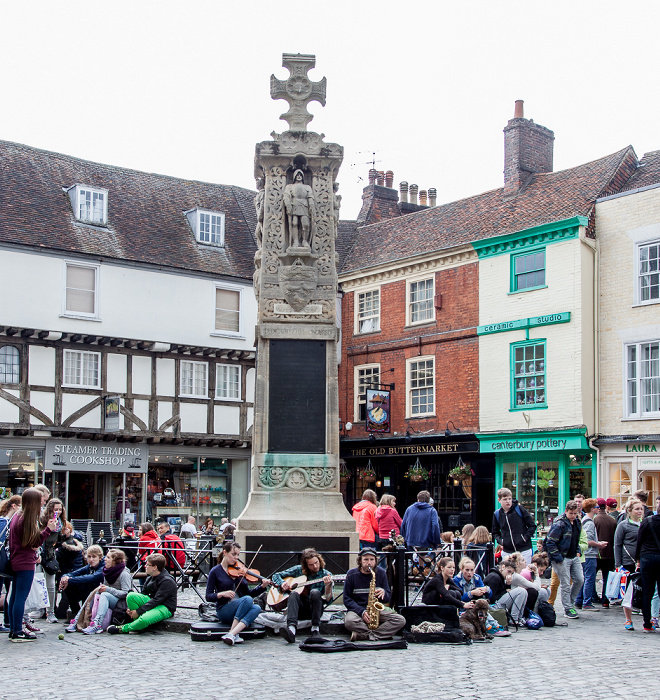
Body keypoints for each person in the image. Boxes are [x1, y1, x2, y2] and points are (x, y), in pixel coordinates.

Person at [7, 487, 58, 641]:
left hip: (17, 560)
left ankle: (13, 628)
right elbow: (34, 541)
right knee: (20, 597)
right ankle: (17, 631)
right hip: (24, 561)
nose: (42, 505)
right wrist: (48, 530)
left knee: (15, 596)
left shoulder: (18, 516)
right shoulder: (25, 519)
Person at [205, 541, 270, 646]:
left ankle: (232, 633)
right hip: (224, 610)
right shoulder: (215, 571)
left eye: (238, 555)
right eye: (233, 554)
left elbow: (249, 593)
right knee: (248, 599)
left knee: (257, 608)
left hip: (241, 608)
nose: (236, 558)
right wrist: (222, 594)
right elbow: (208, 596)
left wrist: (262, 587)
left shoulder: (239, 571)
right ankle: (233, 633)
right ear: (225, 553)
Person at [271, 548, 333, 643]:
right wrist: (282, 583)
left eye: (316, 563)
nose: (315, 566)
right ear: (306, 565)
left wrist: (328, 586)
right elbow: (276, 576)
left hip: (315, 610)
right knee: (294, 593)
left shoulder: (326, 574)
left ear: (320, 560)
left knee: (315, 592)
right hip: (298, 609)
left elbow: (328, 600)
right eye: (311, 565)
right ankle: (291, 631)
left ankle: (315, 629)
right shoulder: (298, 570)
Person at [343, 548, 405, 641]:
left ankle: (365, 635)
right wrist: (362, 611)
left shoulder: (381, 573)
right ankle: (379, 635)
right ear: (360, 560)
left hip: (376, 610)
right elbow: (347, 599)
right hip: (357, 610)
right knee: (349, 621)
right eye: (366, 559)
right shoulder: (351, 574)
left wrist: (384, 592)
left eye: (372, 560)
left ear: (376, 561)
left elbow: (387, 598)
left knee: (400, 620)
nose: (369, 563)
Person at [107, 553, 177, 635]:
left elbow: (157, 600)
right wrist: (132, 610)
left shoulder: (167, 581)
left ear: (155, 567)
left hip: (165, 606)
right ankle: (137, 624)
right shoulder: (150, 578)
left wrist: (138, 611)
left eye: (147, 565)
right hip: (152, 601)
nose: (145, 566)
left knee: (144, 619)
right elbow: (143, 594)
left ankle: (123, 628)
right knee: (131, 596)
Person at [66, 548, 131, 634]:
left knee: (104, 595)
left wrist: (108, 589)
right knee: (94, 592)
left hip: (121, 603)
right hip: (111, 598)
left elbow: (126, 593)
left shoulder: (124, 573)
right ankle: (77, 620)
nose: (105, 559)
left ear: (115, 561)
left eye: (108, 557)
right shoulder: (107, 571)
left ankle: (97, 624)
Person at [545, 500, 584, 619]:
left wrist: (578, 550)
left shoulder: (577, 522)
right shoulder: (559, 524)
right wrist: (558, 557)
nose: (573, 516)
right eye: (571, 513)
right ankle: (568, 608)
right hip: (562, 557)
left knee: (580, 579)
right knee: (565, 583)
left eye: (575, 513)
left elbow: (575, 538)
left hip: (573, 555)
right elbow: (550, 542)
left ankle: (570, 603)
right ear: (566, 511)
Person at [615, 499, 644, 630]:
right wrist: (618, 564)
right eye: (637, 509)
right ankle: (628, 619)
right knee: (628, 591)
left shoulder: (645, 524)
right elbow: (617, 544)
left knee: (643, 591)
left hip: (643, 562)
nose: (640, 511)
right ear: (629, 511)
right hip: (628, 562)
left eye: (641, 509)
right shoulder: (623, 525)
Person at [576, 498, 607, 610]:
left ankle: (579, 600)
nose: (598, 509)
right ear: (592, 509)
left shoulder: (585, 520)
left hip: (586, 554)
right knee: (589, 578)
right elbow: (588, 541)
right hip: (589, 554)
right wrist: (599, 544)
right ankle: (587, 602)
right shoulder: (589, 523)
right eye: (597, 507)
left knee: (584, 578)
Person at [634, 503, 660, 632]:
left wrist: (637, 559)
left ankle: (647, 624)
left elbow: (639, 541)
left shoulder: (647, 521)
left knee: (647, 592)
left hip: (647, 557)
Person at [491, 488, 536, 565]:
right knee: (508, 574)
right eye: (505, 499)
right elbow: (495, 532)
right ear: (499, 500)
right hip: (507, 551)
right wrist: (502, 541)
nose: (508, 501)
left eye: (509, 499)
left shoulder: (519, 509)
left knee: (524, 574)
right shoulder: (497, 514)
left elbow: (532, 525)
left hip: (524, 549)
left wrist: (525, 538)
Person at [58, 545, 105, 618]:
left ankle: (84, 614)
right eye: (89, 557)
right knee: (69, 585)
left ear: (100, 558)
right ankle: (76, 612)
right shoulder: (89, 566)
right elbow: (75, 573)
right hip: (89, 591)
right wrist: (65, 577)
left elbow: (92, 578)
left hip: (100, 592)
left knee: (84, 584)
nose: (91, 559)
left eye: (94, 557)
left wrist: (69, 580)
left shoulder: (103, 567)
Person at [39, 497, 66, 622]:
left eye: (60, 509)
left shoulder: (60, 522)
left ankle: (50, 612)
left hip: (50, 555)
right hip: (40, 553)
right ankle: (37, 610)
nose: (58, 512)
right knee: (37, 583)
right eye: (56, 509)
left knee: (51, 585)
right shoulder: (43, 520)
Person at [53, 521, 84, 619]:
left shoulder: (69, 543)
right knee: (65, 592)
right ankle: (67, 612)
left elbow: (61, 556)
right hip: (71, 569)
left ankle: (62, 613)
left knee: (66, 591)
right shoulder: (71, 541)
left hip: (70, 570)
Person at [484, 558, 528, 626]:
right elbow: (491, 598)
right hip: (493, 606)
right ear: (503, 567)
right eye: (509, 572)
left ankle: (519, 618)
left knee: (524, 591)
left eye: (512, 573)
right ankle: (514, 619)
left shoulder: (499, 576)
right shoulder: (494, 577)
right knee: (521, 591)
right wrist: (505, 591)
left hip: (497, 603)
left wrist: (508, 585)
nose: (509, 575)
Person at [1, 495, 22, 634]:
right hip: (3, 561)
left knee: (9, 591)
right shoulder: (4, 522)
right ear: (14, 506)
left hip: (7, 561)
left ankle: (8, 621)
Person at [593, 497, 617, 608]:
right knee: (607, 577)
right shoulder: (612, 520)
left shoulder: (594, 520)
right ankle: (605, 600)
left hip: (596, 554)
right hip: (609, 554)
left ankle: (592, 596)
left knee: (591, 576)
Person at [283, 168, 315, 249]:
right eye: (297, 175)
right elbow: (286, 196)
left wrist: (311, 205)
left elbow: (310, 197)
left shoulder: (307, 187)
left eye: (300, 175)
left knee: (306, 224)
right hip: (294, 205)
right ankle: (296, 241)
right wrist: (288, 205)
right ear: (294, 177)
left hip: (304, 206)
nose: (299, 176)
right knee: (294, 223)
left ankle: (304, 241)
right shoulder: (290, 186)